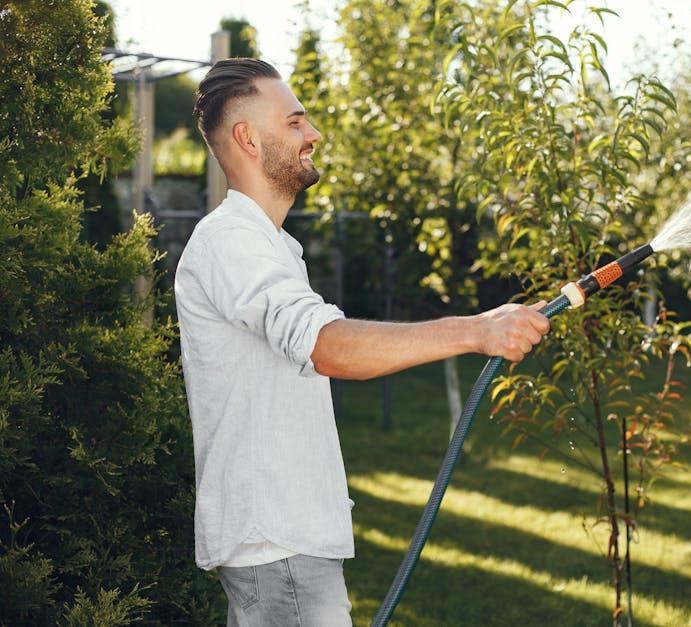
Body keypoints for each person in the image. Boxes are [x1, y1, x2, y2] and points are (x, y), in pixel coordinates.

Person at [176, 57, 550, 626]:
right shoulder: (231, 242)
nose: (313, 134)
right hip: (278, 545)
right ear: (248, 138)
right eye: (295, 122)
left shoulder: (272, 248)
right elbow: (327, 346)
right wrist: (476, 330)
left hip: (285, 541)